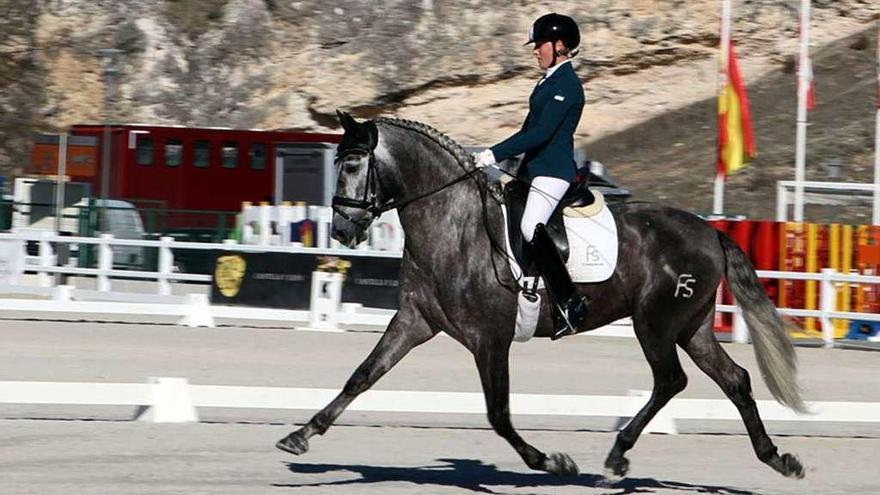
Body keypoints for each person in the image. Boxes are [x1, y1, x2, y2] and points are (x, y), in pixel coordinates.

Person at [473, 12, 587, 339]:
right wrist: (500, 159)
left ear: (560, 45)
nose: (536, 51)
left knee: (528, 225)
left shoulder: (567, 85)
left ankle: (569, 301)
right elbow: (526, 130)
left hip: (554, 171)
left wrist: (493, 153)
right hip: (532, 171)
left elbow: (540, 134)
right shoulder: (547, 82)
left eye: (540, 45)